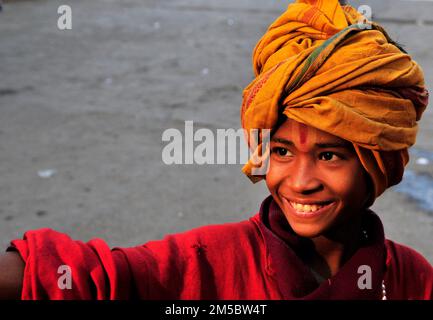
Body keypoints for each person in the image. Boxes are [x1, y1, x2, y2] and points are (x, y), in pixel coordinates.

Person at [0, 0, 432, 300]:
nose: (300, 183)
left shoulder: (412, 279)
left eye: (329, 155)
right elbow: (94, 276)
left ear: (380, 162)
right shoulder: (207, 260)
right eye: (281, 152)